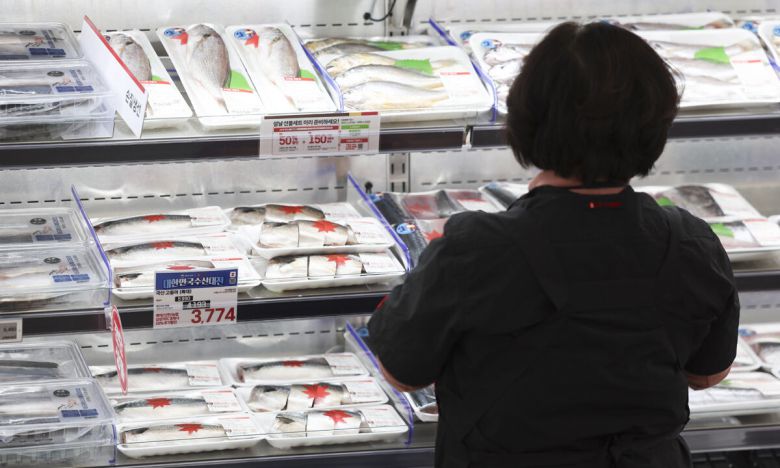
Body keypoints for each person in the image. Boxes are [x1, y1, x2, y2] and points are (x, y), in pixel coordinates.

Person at [367, 21, 739, 468]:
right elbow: (708, 373)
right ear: (656, 125)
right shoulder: (690, 242)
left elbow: (401, 372)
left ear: (526, 118)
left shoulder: (477, 250)